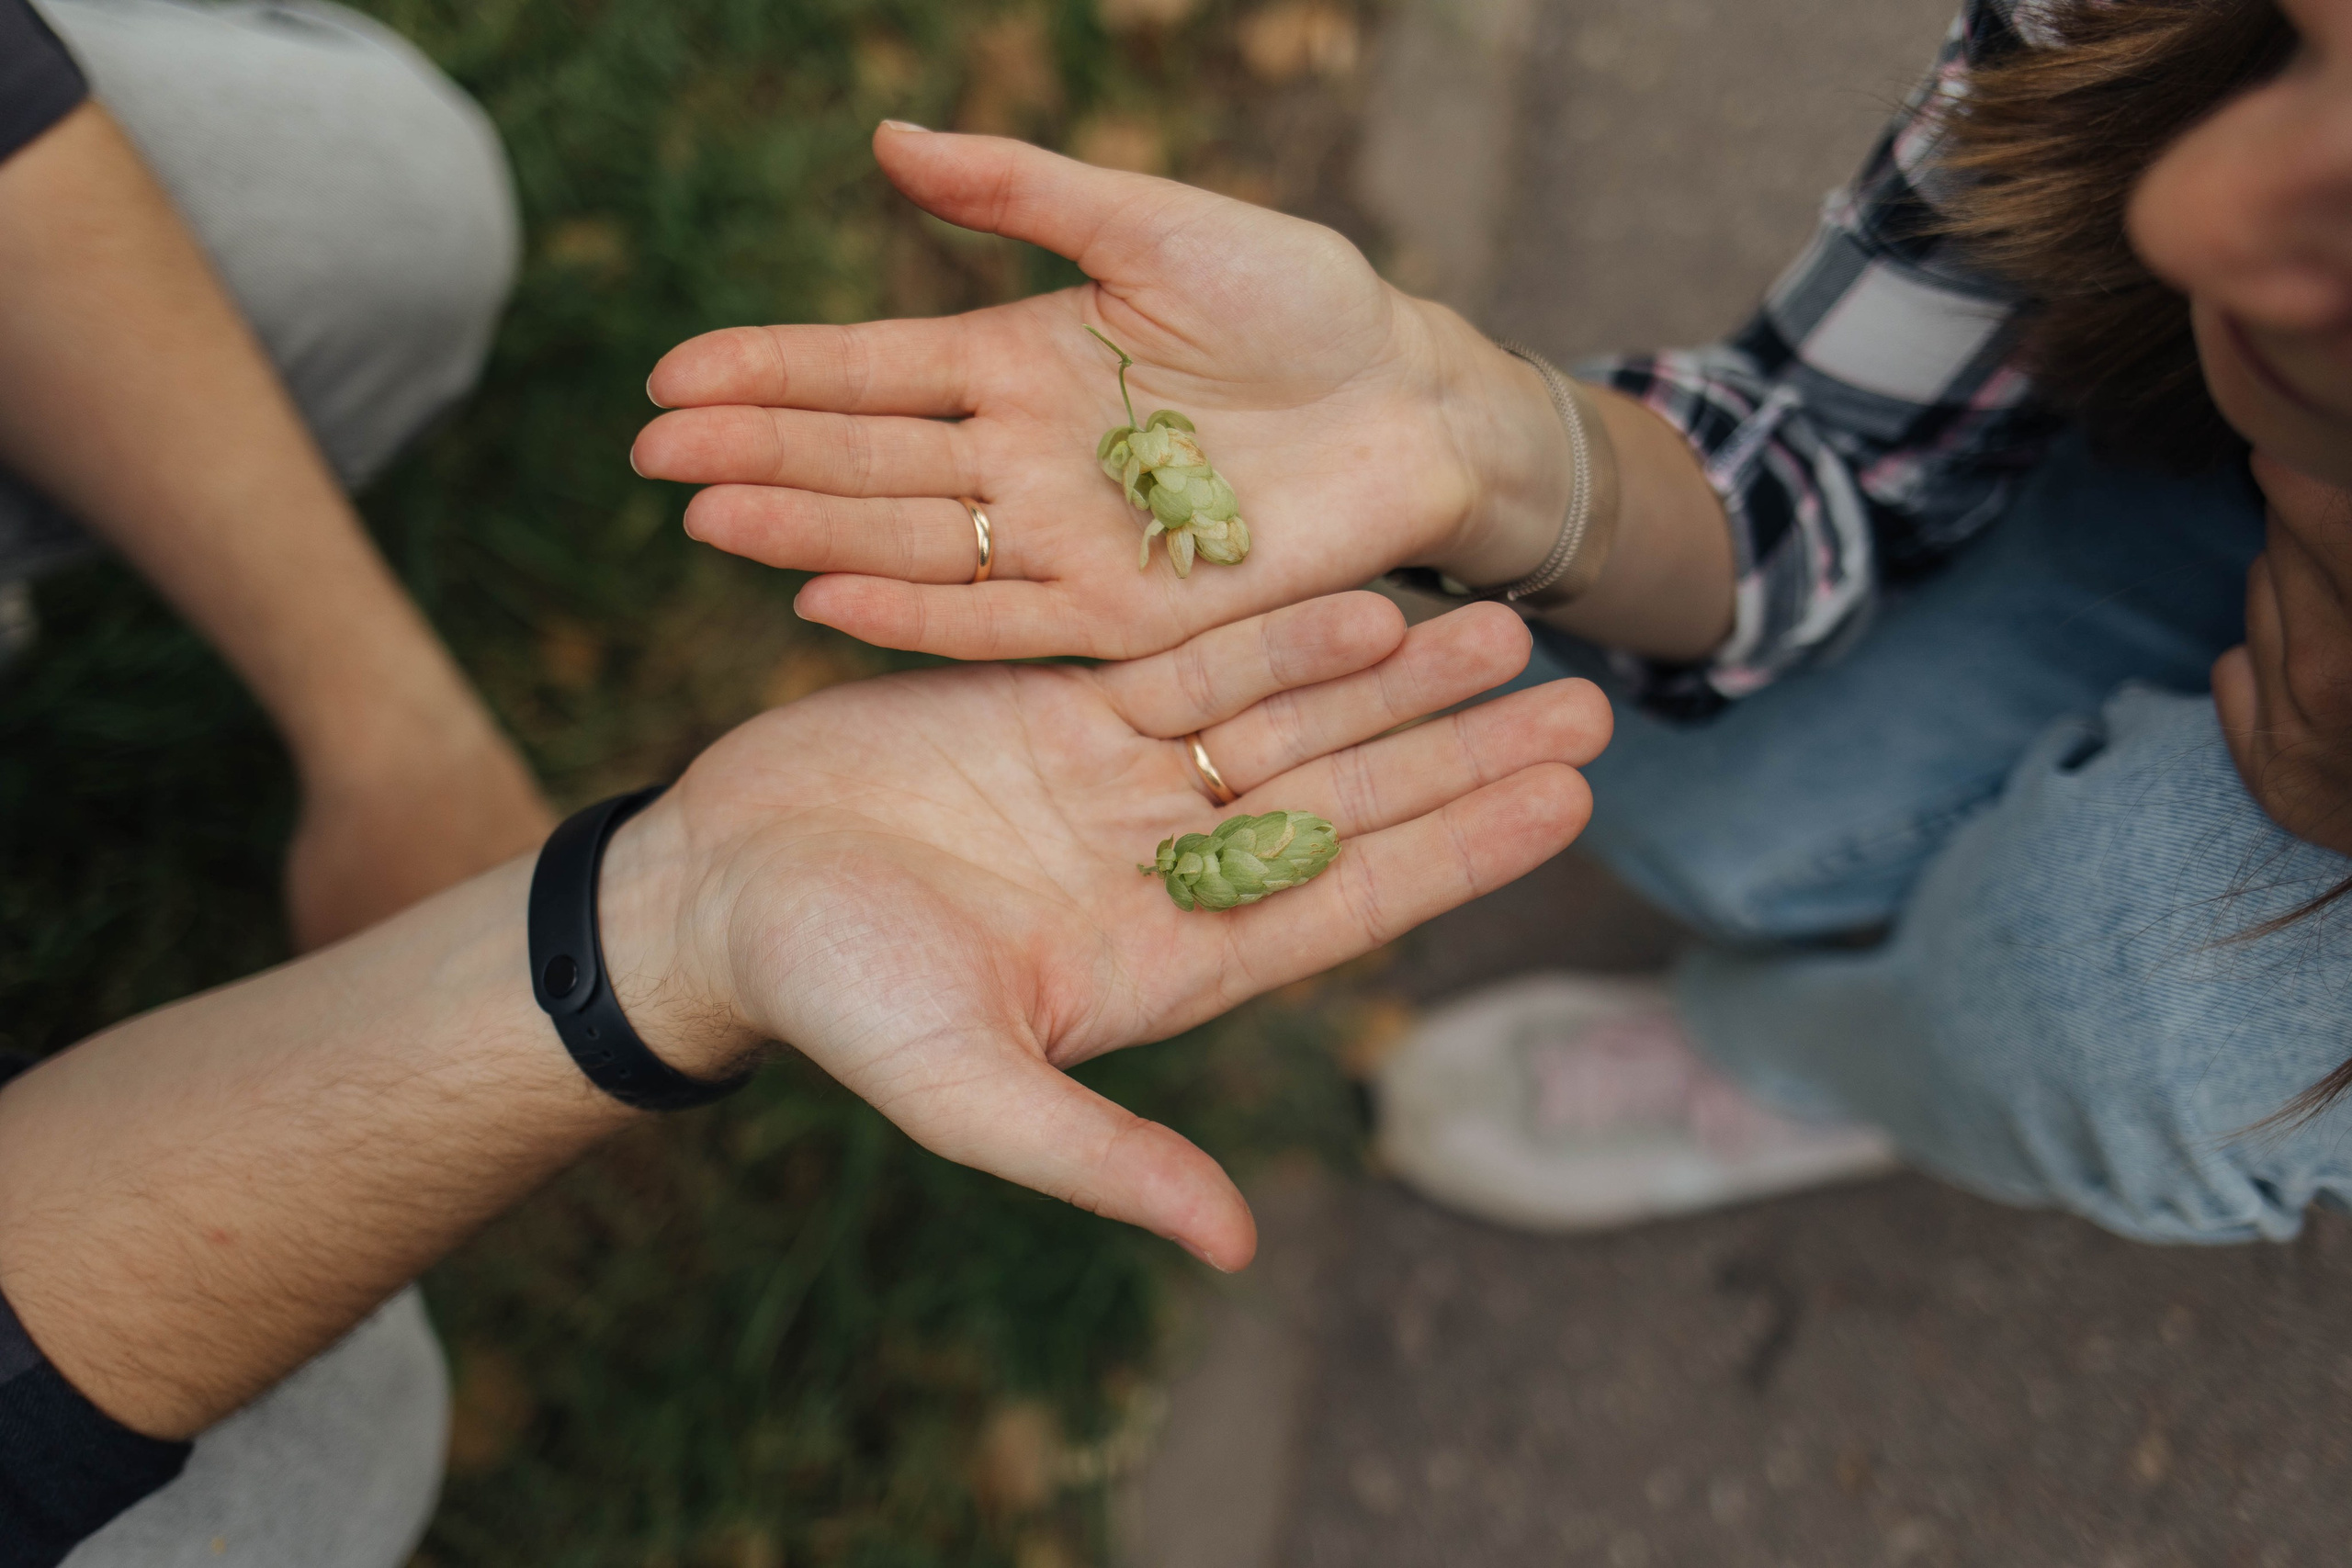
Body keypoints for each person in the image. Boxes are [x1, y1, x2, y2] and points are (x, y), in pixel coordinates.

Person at [633, 0, 2352, 1244]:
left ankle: (1828, 1061)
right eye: (2297, 49)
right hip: (2205, 497)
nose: (2185, 213)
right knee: (1657, 758)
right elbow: (1822, 467)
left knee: (2140, 988)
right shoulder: (2150, 36)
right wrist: (1481, 444)